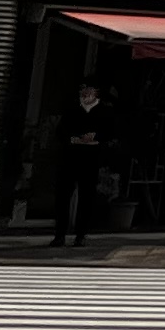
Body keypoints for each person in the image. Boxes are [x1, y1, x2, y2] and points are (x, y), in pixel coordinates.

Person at [50, 82, 107, 248]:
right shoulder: (72, 109)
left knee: (86, 198)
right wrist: (72, 138)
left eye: (89, 90)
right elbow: (61, 131)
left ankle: (80, 235)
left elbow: (110, 131)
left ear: (96, 93)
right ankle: (59, 235)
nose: (86, 93)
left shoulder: (103, 111)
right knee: (63, 197)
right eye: (83, 90)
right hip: (70, 158)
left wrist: (95, 136)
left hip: (90, 159)